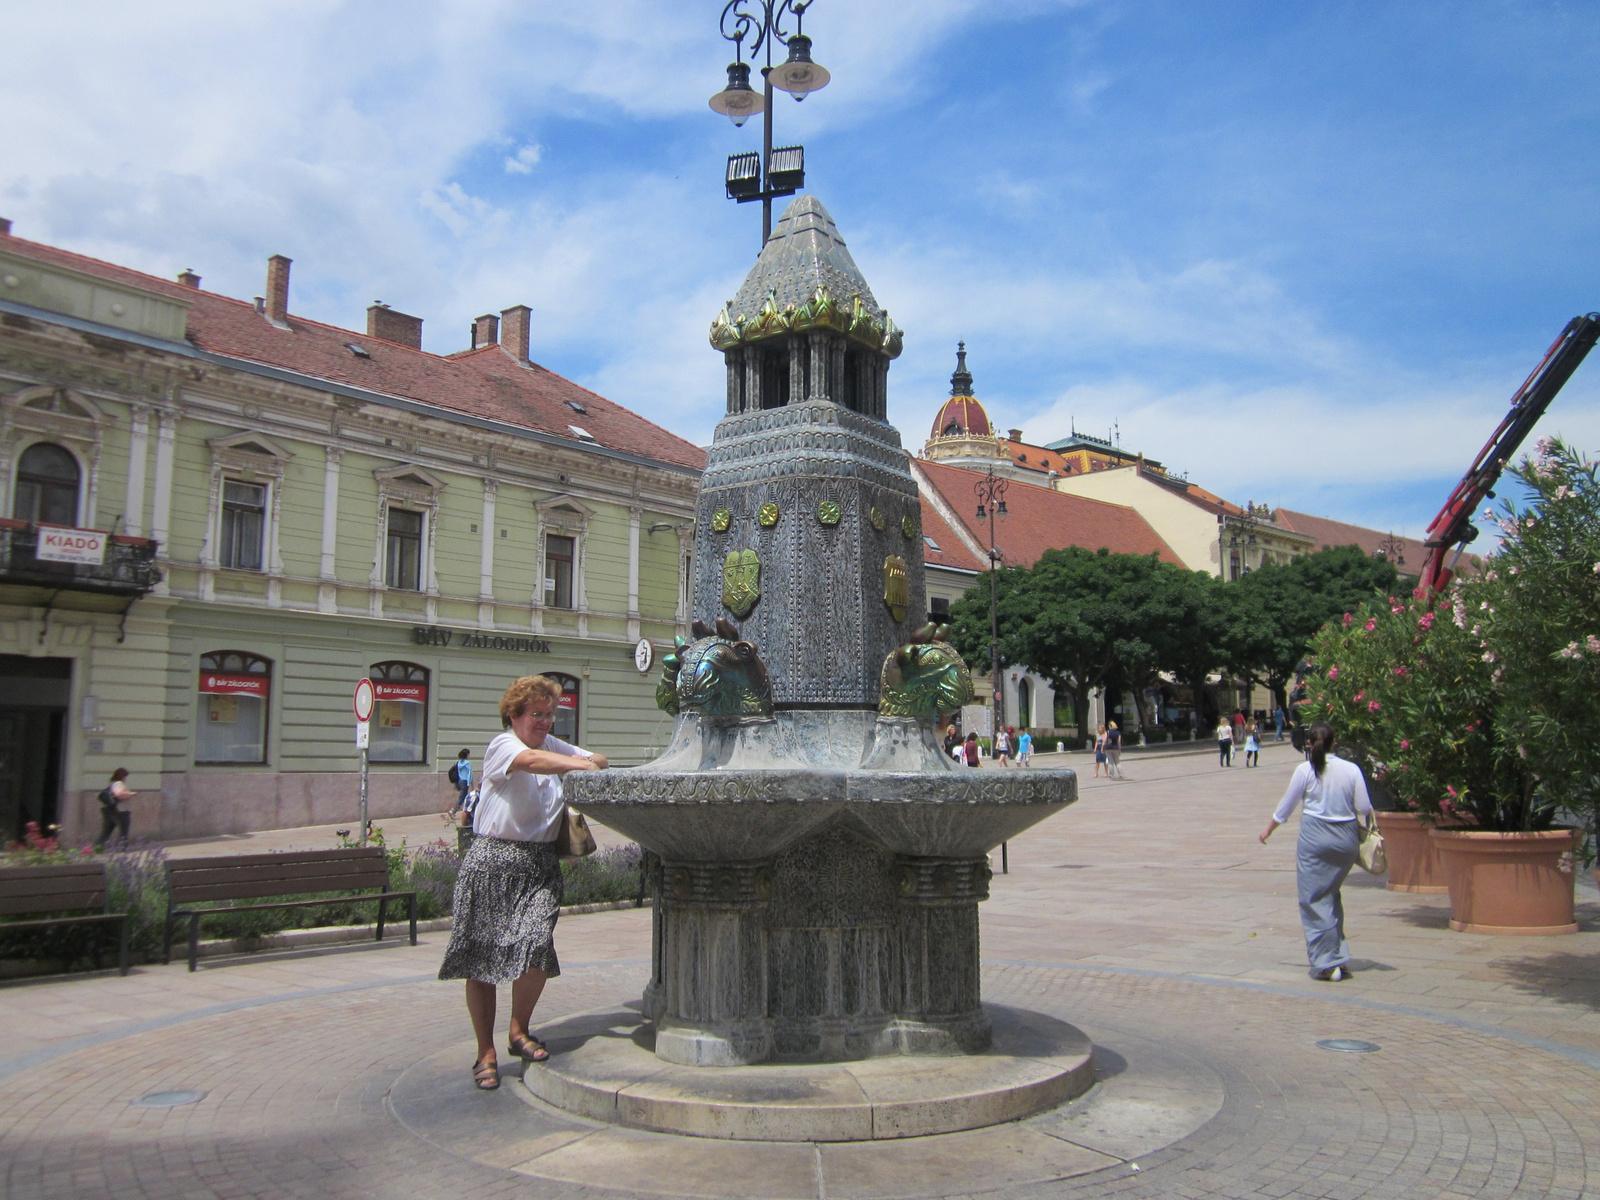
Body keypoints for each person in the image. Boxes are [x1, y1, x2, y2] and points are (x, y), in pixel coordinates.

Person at [438, 675, 609, 1091]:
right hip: (492, 862)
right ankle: (485, 1051)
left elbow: (599, 759)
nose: (546, 723)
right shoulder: (503, 746)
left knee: (536, 946)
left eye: (551, 715)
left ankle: (518, 1030)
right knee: (480, 959)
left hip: (539, 865)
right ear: (514, 715)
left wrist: (587, 760)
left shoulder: (551, 744)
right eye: (537, 715)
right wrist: (580, 763)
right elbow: (532, 762)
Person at [1259, 722, 1373, 982]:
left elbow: (1285, 808)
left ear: (1309, 744)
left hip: (1315, 838)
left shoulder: (1305, 770)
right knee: (1330, 895)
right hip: (1345, 839)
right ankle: (1338, 956)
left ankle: (1326, 963)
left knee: (1313, 899)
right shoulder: (1351, 770)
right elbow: (1364, 807)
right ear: (1335, 743)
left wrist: (1269, 830)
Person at [95, 768, 135, 847]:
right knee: (123, 832)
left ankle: (98, 849)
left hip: (109, 810)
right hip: (120, 811)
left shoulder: (111, 783)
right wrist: (131, 794)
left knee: (106, 832)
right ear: (122, 776)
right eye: (125, 776)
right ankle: (122, 850)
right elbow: (118, 794)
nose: (125, 778)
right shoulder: (118, 784)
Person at [448, 748, 473, 816]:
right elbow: (469, 774)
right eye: (469, 754)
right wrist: (470, 783)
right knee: (462, 798)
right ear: (467, 755)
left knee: (465, 797)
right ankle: (453, 811)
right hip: (465, 782)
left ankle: (468, 812)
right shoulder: (468, 763)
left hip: (459, 781)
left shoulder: (458, 763)